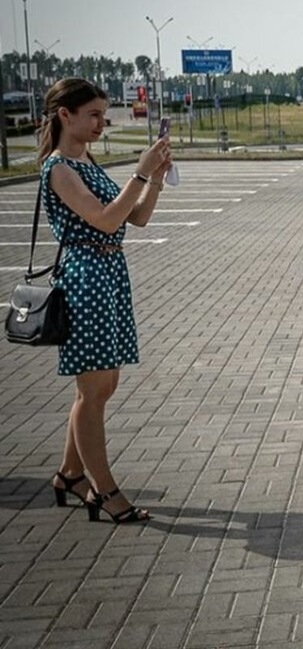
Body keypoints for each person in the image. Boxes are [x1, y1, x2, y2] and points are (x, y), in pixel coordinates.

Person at [40, 77, 172, 524]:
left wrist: (154, 179)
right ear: (65, 115)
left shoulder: (85, 161)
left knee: (103, 386)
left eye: (103, 114)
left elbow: (136, 218)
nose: (102, 122)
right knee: (92, 390)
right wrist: (139, 172)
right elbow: (103, 219)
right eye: (93, 114)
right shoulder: (59, 169)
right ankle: (104, 490)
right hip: (85, 279)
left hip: (109, 275)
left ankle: (70, 475)